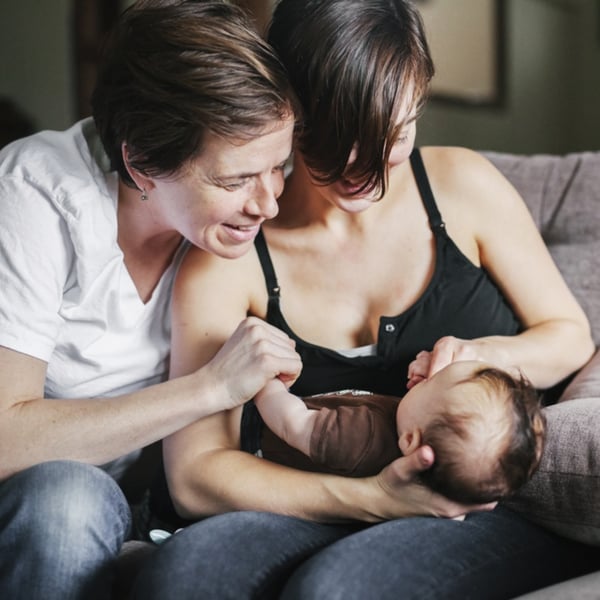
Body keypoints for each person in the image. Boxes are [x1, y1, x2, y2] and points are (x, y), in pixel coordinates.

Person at [133, 0, 600, 598]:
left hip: (471, 503)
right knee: (184, 575)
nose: (371, 167)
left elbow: (569, 333)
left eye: (397, 131)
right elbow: (198, 473)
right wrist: (372, 500)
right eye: (342, 136)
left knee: (338, 589)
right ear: (287, 110)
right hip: (310, 499)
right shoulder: (232, 256)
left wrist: (480, 358)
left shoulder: (463, 187)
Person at [0, 1, 303, 598]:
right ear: (140, 161)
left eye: (280, 167)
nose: (268, 203)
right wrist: (211, 388)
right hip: (38, 500)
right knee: (66, 498)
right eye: (235, 179)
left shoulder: (230, 227)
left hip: (146, 501)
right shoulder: (35, 195)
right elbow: (5, 440)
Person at [254, 361, 546, 504]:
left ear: (411, 441)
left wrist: (267, 382)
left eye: (431, 383)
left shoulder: (361, 436)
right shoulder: (411, 439)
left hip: (254, 439)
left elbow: (291, 423)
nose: (428, 377)